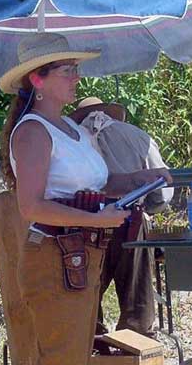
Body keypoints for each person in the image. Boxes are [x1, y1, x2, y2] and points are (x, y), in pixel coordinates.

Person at [0, 32, 172, 365]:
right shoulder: (33, 132)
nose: (77, 76)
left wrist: (140, 180)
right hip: (57, 259)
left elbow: (93, 186)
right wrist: (99, 222)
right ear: (38, 79)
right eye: (67, 70)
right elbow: (31, 206)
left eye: (75, 68)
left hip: (76, 260)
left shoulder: (68, 130)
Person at [70, 97, 174, 336]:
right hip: (130, 221)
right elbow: (163, 193)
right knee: (137, 306)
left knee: (84, 301)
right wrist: (149, 207)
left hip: (82, 222)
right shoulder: (136, 136)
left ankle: (92, 349)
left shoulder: (71, 141)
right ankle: (135, 356)